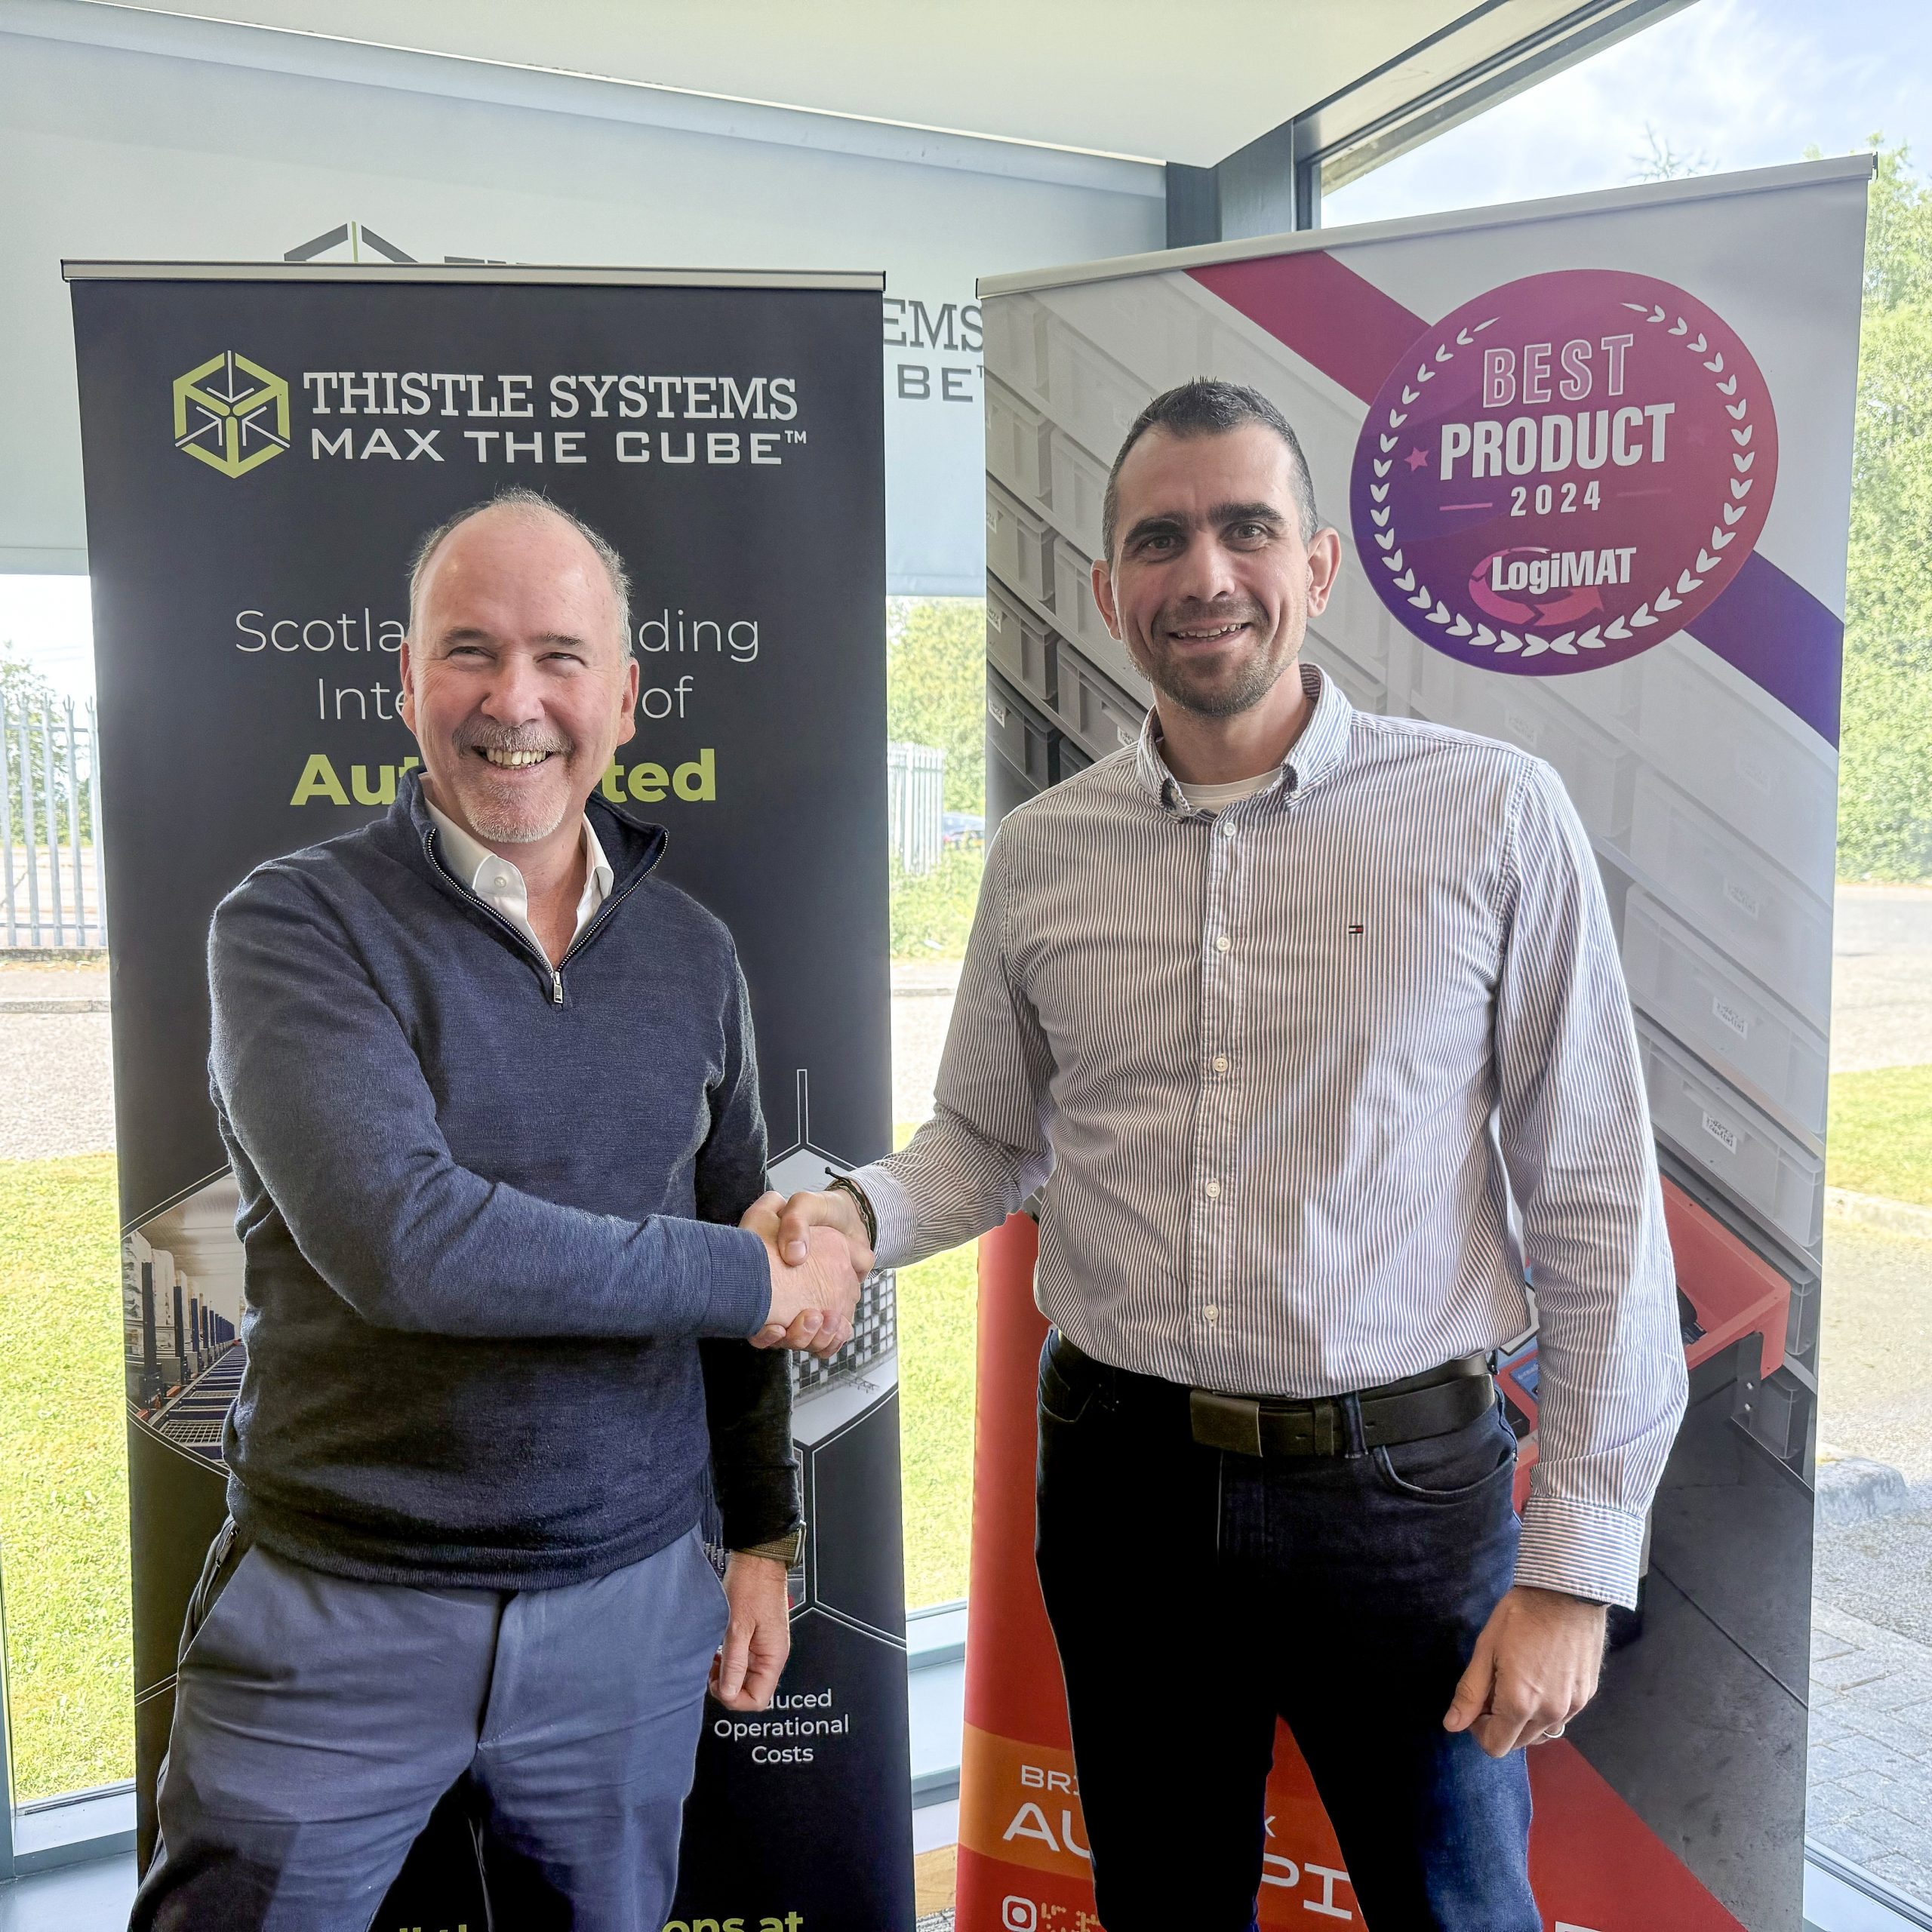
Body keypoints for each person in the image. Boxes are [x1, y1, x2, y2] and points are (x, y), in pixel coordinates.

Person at [776, 381, 1688, 1930]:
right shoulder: (1044, 854)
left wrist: (1574, 1569)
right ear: (1108, 589)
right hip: (1124, 1487)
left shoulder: (1490, 813)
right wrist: (854, 1214)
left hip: (1404, 1502)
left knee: (1458, 1909)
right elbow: (989, 1138)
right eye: (1160, 539)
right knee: (1163, 1905)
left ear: (1316, 565)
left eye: (1244, 528)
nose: (1203, 573)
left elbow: (1593, 1194)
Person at [131, 486, 863, 1932]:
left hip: (630, 1611)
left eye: (559, 657)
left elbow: (745, 1243)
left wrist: (764, 1538)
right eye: (470, 651)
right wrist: (748, 1278)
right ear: (407, 682)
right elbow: (408, 1244)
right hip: (334, 1612)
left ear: (626, 700)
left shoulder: (695, 954)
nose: (513, 701)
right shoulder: (292, 925)